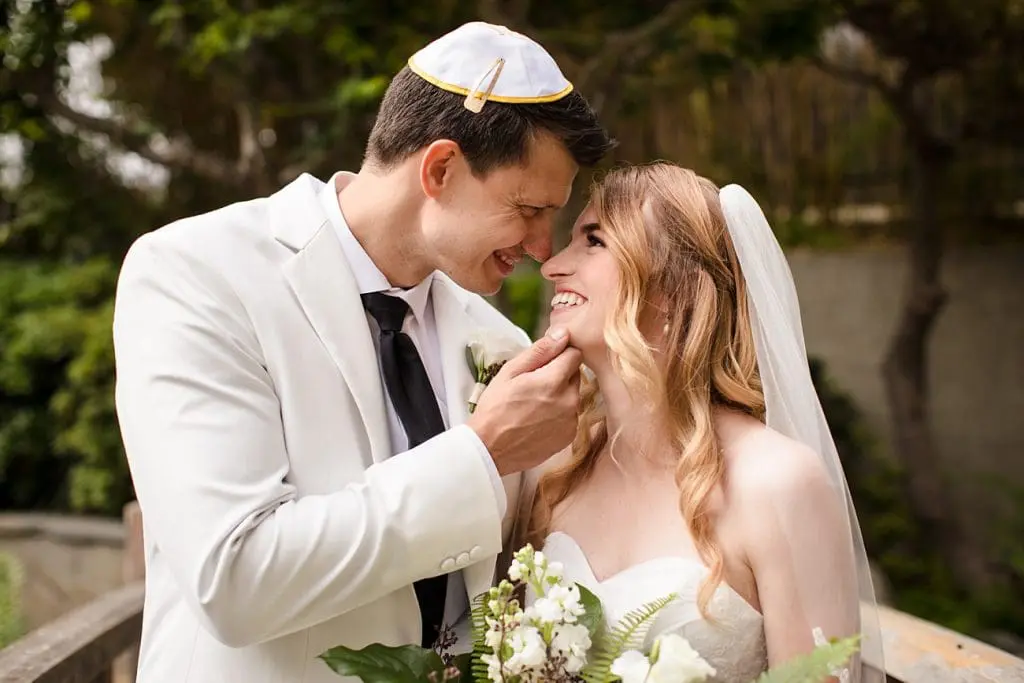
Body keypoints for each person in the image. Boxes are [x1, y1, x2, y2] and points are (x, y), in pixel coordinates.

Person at [111, 22, 613, 683]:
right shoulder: (196, 274)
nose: (543, 247)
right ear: (440, 168)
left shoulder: (500, 343)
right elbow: (234, 579)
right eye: (527, 208)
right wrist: (482, 455)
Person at [507, 162, 885, 682]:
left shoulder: (778, 482)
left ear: (672, 286)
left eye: (593, 242)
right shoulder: (553, 464)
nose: (551, 266)